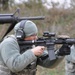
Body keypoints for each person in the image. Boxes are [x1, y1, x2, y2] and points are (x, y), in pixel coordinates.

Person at [0, 20, 70, 75]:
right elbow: (14, 66)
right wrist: (32, 52)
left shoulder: (31, 44)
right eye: (33, 35)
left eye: (36, 34)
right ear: (21, 35)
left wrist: (60, 53)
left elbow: (48, 63)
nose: (36, 37)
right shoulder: (8, 43)